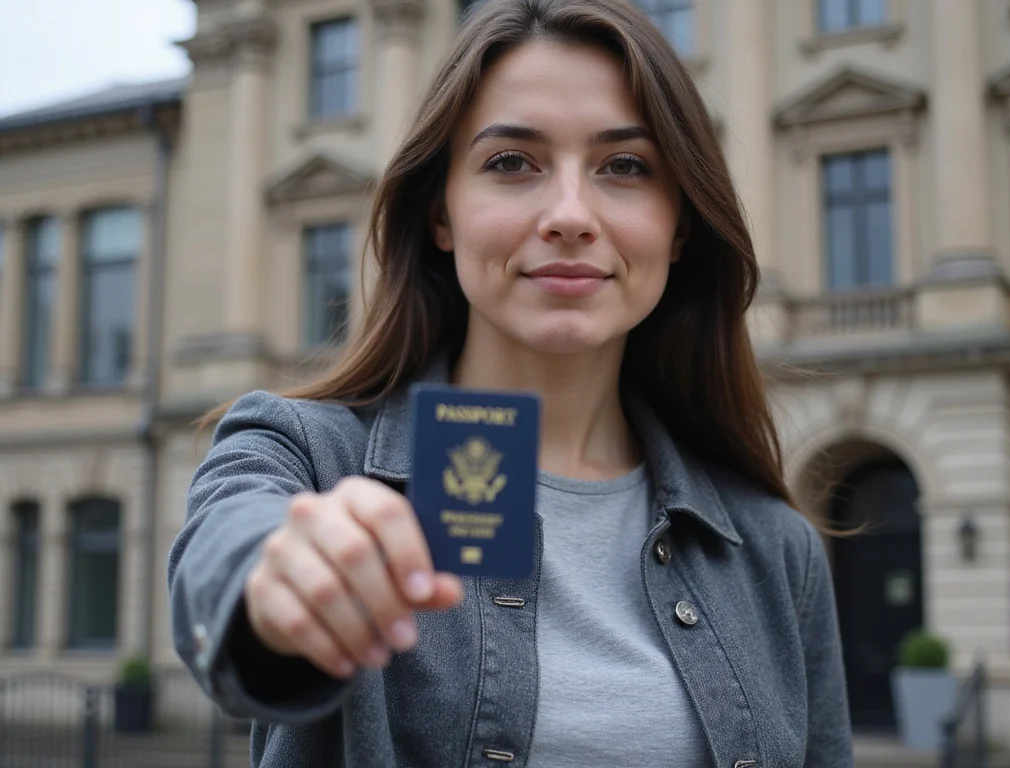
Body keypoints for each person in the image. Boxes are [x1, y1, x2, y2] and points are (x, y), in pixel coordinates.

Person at [168, 0, 854, 765]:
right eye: (511, 163)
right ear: (442, 215)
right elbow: (227, 555)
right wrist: (280, 578)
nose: (569, 215)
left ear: (681, 223)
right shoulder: (306, 457)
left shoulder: (774, 548)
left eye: (624, 166)